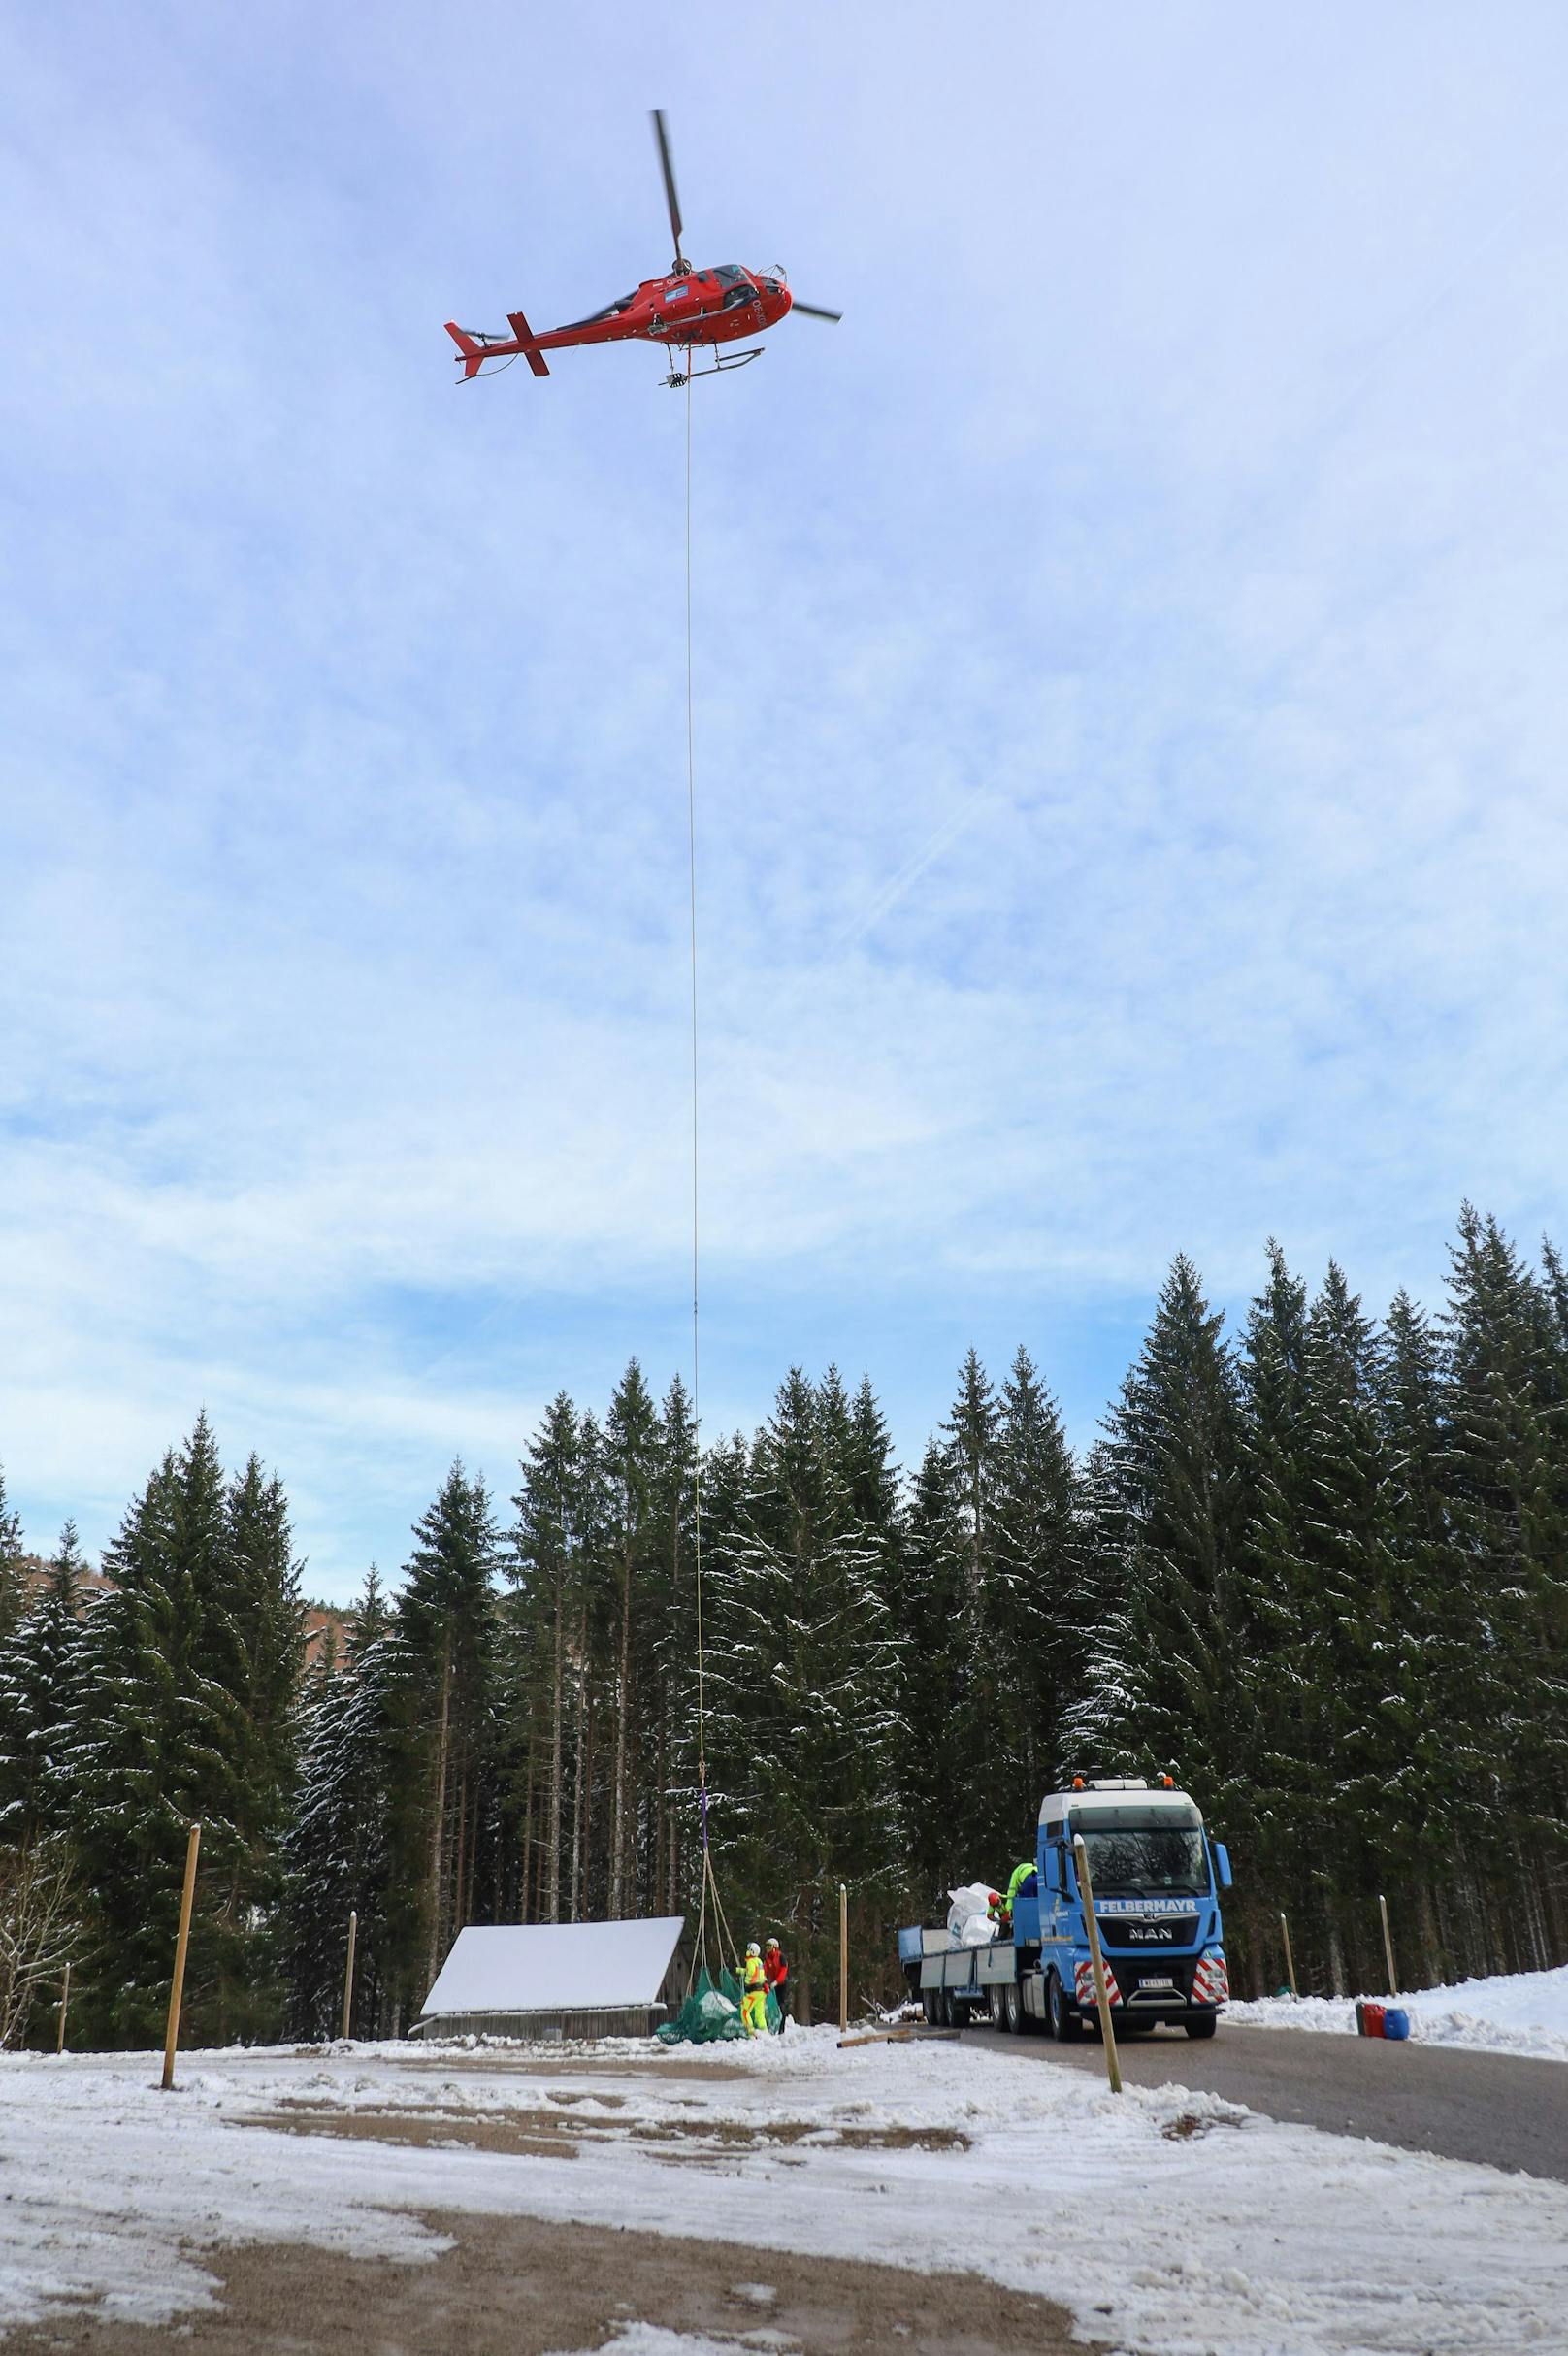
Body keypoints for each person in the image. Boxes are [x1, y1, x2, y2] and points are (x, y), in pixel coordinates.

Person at [740, 1942, 768, 2035]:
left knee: (745, 2011)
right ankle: (764, 2031)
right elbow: (757, 1972)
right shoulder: (759, 1961)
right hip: (761, 1992)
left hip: (753, 1991)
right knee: (760, 2014)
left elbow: (751, 1971)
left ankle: (751, 2032)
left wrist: (746, 1972)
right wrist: (741, 1971)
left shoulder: (750, 1961)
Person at [764, 1936, 789, 2033]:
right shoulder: (767, 1958)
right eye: (767, 1946)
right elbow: (764, 1969)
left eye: (770, 1946)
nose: (768, 1948)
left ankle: (782, 2028)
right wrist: (763, 1978)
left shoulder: (781, 1957)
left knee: (781, 2005)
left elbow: (783, 1971)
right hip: (772, 1984)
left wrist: (777, 1981)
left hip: (781, 1984)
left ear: (775, 1947)